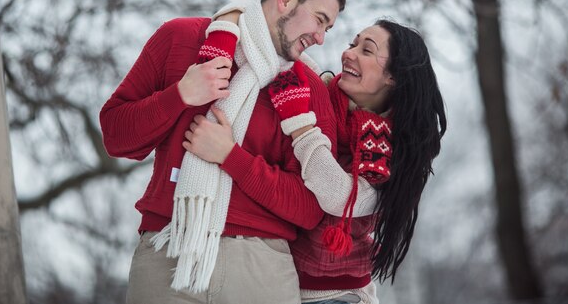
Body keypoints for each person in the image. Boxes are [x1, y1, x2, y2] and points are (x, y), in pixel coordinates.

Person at [99, 0, 346, 304]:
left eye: (328, 29)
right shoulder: (182, 39)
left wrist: (231, 157)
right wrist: (180, 96)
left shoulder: (308, 92)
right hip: (168, 252)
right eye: (320, 20)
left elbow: (309, 209)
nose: (320, 38)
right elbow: (115, 135)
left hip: (260, 270)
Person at [184, 19, 447, 304]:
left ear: (393, 77)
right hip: (279, 283)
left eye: (366, 50)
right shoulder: (322, 94)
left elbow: (339, 196)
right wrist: (233, 20)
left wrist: (301, 127)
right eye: (352, 44)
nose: (349, 53)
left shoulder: (392, 152)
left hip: (336, 295)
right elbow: (281, 50)